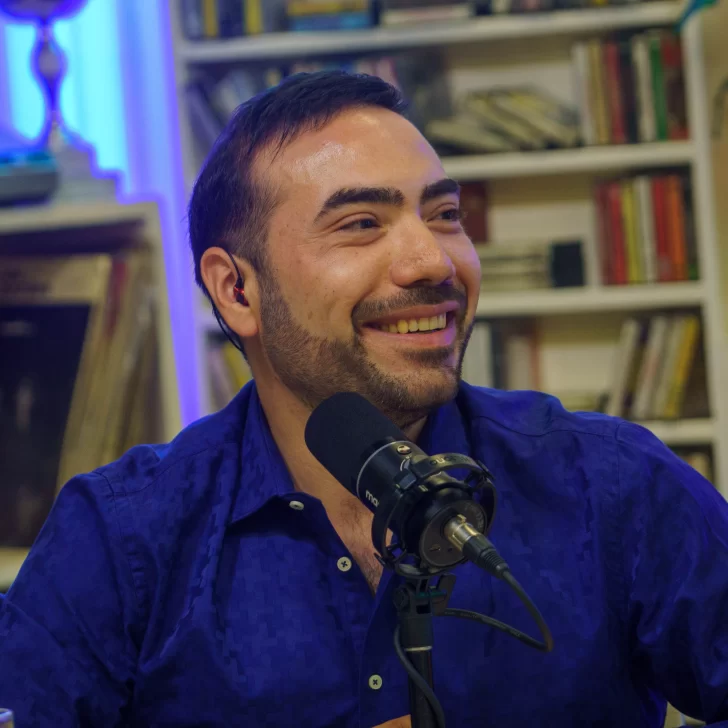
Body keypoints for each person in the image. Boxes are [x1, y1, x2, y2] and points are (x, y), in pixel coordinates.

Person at [1, 70, 727, 728]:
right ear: (237, 291)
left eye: (444, 214)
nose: (433, 261)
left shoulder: (613, 484)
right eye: (361, 225)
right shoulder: (120, 539)